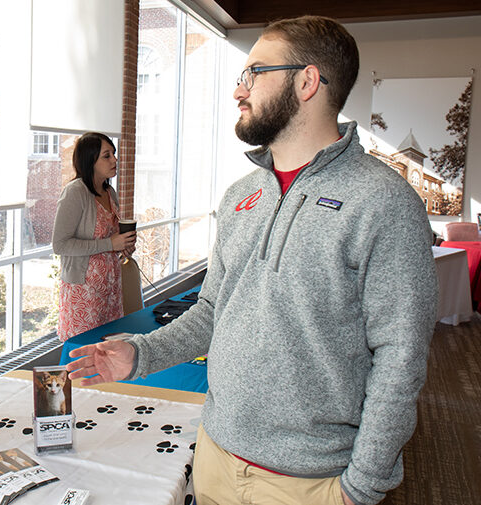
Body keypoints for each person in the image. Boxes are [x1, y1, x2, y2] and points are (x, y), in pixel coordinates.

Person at [67, 16, 437, 505]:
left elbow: (400, 358)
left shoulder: (384, 203)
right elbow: (212, 312)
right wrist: (142, 353)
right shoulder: (243, 195)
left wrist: (360, 487)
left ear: (307, 81)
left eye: (254, 73)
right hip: (215, 458)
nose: (238, 91)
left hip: (311, 484)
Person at [52, 132, 136, 341]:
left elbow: (111, 238)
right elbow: (60, 245)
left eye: (113, 154)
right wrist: (110, 243)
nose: (114, 160)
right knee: (84, 354)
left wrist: (123, 244)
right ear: (90, 160)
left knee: (109, 351)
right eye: (107, 156)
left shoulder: (110, 191)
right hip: (84, 291)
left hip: (111, 288)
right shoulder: (75, 192)